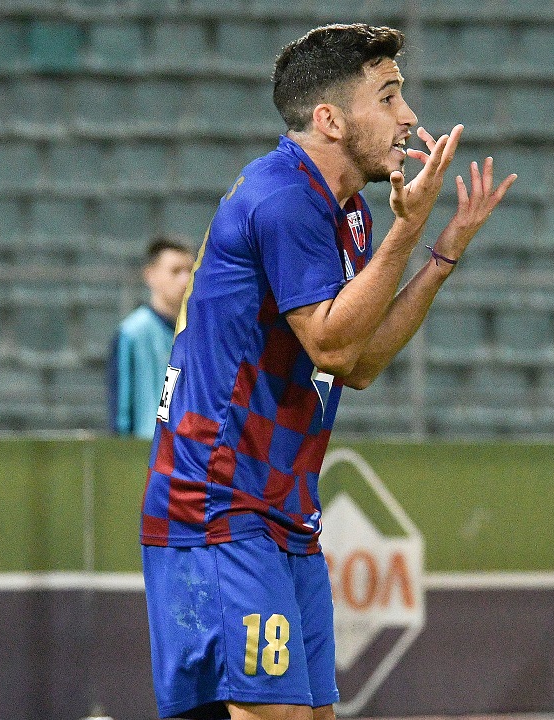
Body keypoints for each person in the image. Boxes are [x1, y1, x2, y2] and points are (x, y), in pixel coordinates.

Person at [139, 23, 516, 720]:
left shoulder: (348, 216)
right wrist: (408, 230)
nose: (409, 117)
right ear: (330, 119)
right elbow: (333, 349)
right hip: (219, 504)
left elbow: (360, 363)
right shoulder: (281, 196)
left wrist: (440, 255)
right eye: (389, 96)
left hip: (282, 511)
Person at [107, 234, 195, 438]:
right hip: (146, 450)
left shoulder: (202, 332)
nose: (185, 280)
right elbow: (121, 416)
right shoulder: (132, 334)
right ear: (150, 275)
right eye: (175, 271)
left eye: (190, 271)